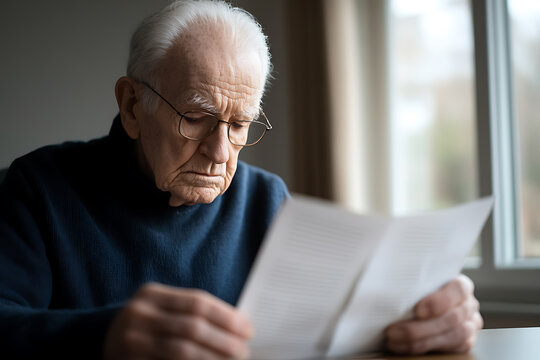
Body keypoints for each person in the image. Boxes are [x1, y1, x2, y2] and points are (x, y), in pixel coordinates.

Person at [0, 1, 482, 359]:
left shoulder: (267, 201)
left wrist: (432, 317)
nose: (219, 151)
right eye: (196, 116)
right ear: (131, 106)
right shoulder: (38, 189)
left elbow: (339, 327)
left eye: (239, 125)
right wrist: (102, 337)